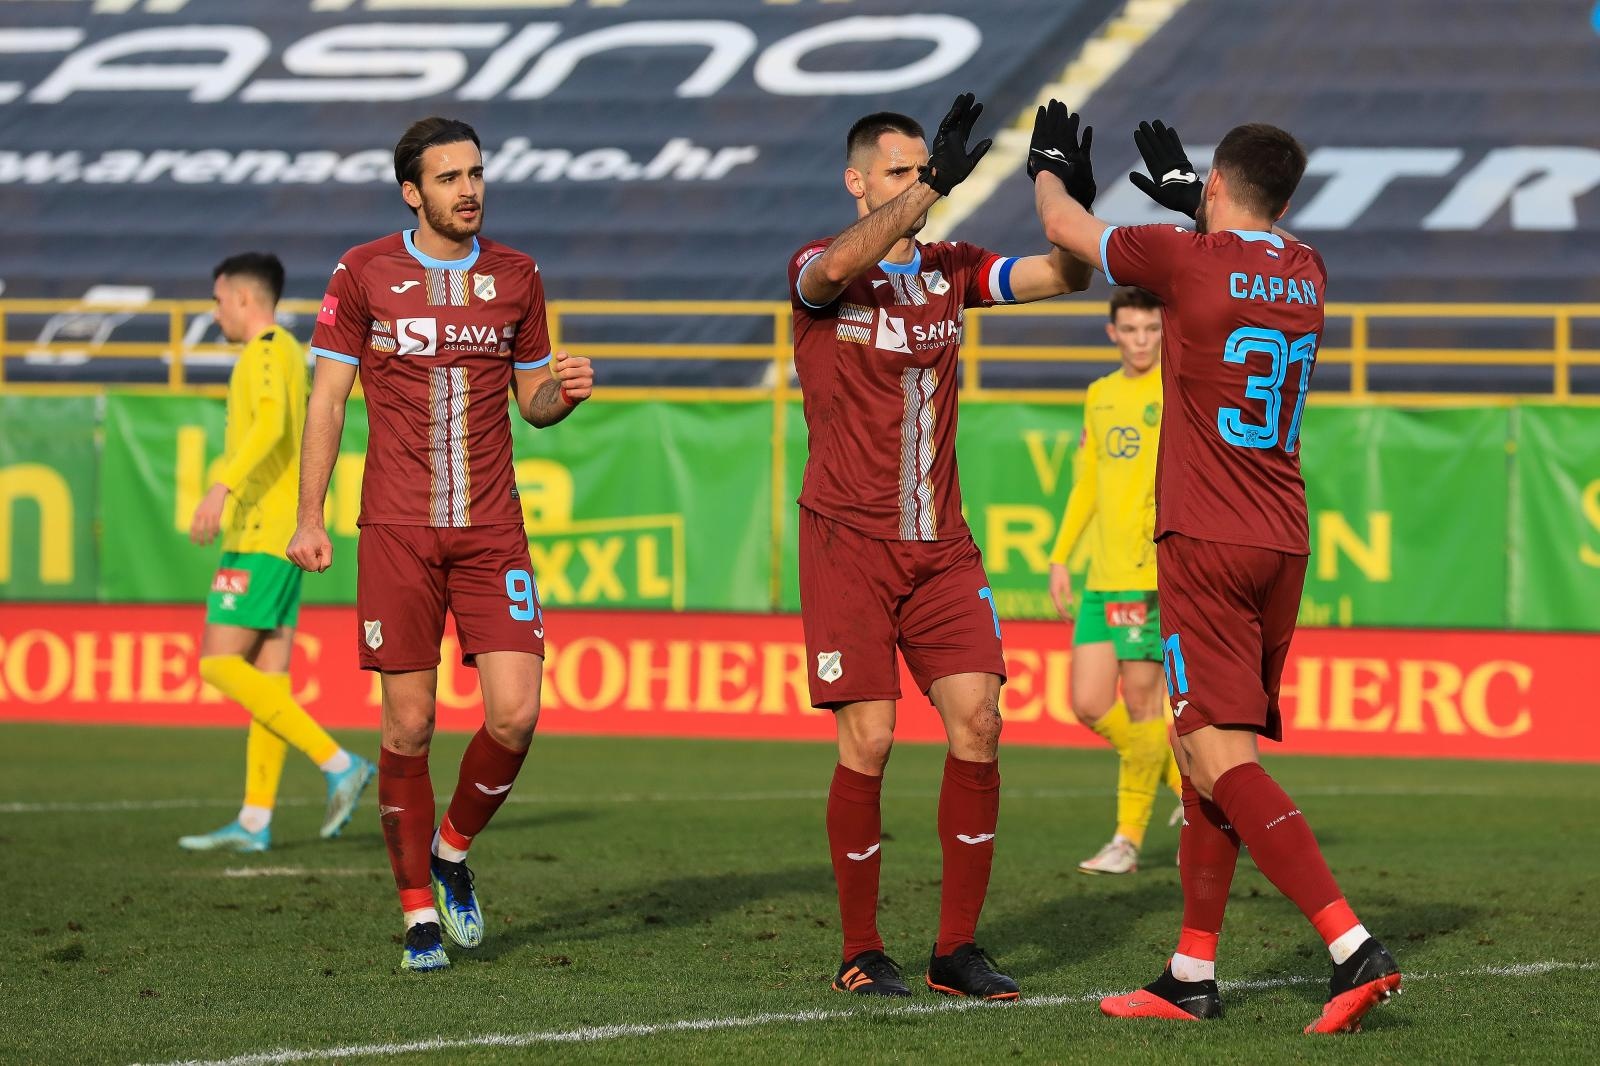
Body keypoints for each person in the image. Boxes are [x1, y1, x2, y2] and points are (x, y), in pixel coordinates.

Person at [1029, 103, 1401, 1032]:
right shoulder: (1309, 271)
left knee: (1220, 756)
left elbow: (1064, 228)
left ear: (1220, 183)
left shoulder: (1183, 258)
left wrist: (1048, 167)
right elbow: (1254, 244)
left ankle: (1352, 945)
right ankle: (1190, 973)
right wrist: (1199, 199)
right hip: (1282, 538)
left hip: (1204, 540)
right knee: (1201, 755)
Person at [790, 93, 1094, 1000]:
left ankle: (954, 950)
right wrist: (929, 190)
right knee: (872, 738)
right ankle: (860, 948)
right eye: (900, 171)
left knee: (982, 723)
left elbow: (1064, 278)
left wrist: (1066, 198)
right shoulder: (821, 267)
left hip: (941, 546)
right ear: (856, 183)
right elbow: (835, 267)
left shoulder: (951, 270)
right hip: (848, 541)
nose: (921, 183)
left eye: (926, 168)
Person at [286, 117, 594, 973]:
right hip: (397, 529)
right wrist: (309, 516)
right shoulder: (363, 271)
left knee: (517, 713)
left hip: (493, 529)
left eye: (476, 174)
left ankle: (450, 850)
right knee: (411, 722)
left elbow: (532, 403)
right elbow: (328, 399)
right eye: (450, 177)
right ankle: (418, 913)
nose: (469, 190)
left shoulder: (518, 275)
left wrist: (564, 395)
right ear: (411, 192)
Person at [179, 252, 374, 854]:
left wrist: (221, 485)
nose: (216, 313)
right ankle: (255, 820)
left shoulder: (266, 350)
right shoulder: (289, 351)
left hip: (260, 535)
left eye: (218, 301)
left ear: (243, 297)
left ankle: (338, 762)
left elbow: (269, 427)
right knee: (268, 681)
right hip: (279, 535)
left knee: (217, 663)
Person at [1047, 286, 1183, 875]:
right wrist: (1060, 557)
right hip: (1101, 575)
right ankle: (1192, 786)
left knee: (1144, 705)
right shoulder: (1099, 395)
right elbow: (1088, 483)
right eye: (1130, 329)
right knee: (1088, 702)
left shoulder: (1177, 390)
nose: (1141, 340)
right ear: (1113, 333)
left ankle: (1126, 841)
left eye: (1151, 329)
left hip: (1148, 573)